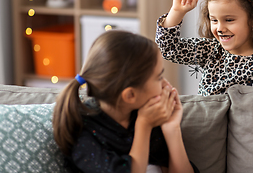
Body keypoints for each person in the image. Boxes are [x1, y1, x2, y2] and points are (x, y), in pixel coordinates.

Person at [52, 30, 198, 173]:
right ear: (130, 96)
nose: (166, 84)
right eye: (159, 77)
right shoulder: (83, 133)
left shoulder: (143, 115)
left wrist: (171, 129)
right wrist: (144, 125)